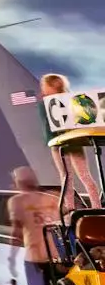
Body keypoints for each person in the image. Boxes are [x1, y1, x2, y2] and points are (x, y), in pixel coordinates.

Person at [8, 165, 61, 285]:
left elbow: (16, 233)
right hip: (58, 257)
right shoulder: (53, 198)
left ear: (17, 183)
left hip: (35, 258)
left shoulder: (16, 202)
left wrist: (11, 257)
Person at [42, 74, 103, 207]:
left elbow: (48, 129)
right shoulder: (67, 101)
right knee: (72, 177)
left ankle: (90, 208)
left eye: (45, 85)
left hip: (66, 143)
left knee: (74, 177)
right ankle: (79, 208)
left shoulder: (59, 103)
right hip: (65, 143)